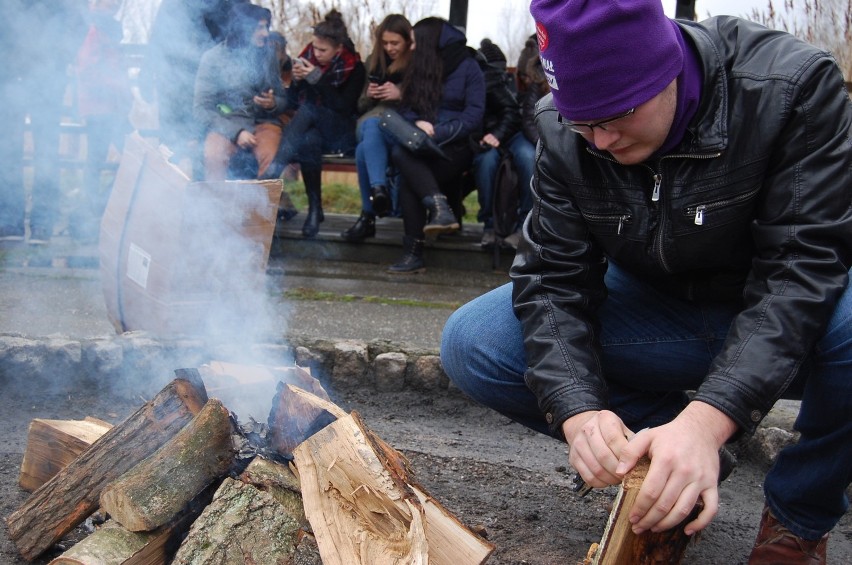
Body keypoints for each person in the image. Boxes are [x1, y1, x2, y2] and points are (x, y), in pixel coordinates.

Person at [440, 0, 852, 563]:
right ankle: (668, 462)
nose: (600, 142)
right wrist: (579, 408)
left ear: (668, 71)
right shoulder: (567, 133)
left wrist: (710, 420)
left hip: (792, 316)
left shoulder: (788, 87)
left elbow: (801, 269)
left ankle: (797, 517)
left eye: (613, 117)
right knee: (475, 341)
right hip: (658, 313)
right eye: (581, 123)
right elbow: (551, 278)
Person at [385, 17, 485, 273]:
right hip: (420, 145)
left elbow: (474, 116)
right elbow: (406, 109)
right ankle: (440, 208)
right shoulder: (419, 69)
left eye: (417, 41)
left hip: (457, 147)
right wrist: (416, 123)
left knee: (408, 171)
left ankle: (414, 251)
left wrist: (438, 132)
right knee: (403, 154)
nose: (413, 47)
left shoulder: (469, 67)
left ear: (430, 42)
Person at [266, 10, 366, 238]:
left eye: (323, 50)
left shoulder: (354, 68)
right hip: (312, 130)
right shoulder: (306, 59)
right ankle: (314, 209)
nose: (316, 54)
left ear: (338, 49)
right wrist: (297, 83)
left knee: (310, 110)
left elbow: (343, 106)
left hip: (341, 131)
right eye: (315, 48)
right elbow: (291, 103)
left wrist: (317, 79)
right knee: (309, 141)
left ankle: (273, 171)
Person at [0, 0, 88, 245]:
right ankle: (11, 222)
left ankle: (40, 223)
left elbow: (78, 25)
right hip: (9, 78)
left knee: (45, 153)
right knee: (7, 151)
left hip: (44, 78)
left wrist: (58, 59)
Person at [193, 2, 286, 181]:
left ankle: (260, 208)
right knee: (214, 157)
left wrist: (273, 103)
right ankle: (216, 207)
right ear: (242, 28)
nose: (266, 33)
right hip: (226, 123)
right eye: (259, 28)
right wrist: (236, 132)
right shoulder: (213, 59)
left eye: (267, 27)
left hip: (263, 123)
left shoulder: (268, 56)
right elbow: (201, 109)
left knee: (271, 161)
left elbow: (282, 98)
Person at [341, 13, 413, 242]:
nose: (389, 48)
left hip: (402, 128)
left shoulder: (417, 63)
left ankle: (369, 214)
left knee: (363, 150)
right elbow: (360, 106)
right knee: (372, 125)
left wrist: (401, 94)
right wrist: (370, 95)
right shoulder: (374, 60)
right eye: (385, 43)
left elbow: (427, 102)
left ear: (407, 41)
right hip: (371, 121)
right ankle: (379, 191)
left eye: (395, 43)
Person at [70, 0, 133, 243]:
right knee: (118, 157)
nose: (113, 6)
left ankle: (95, 209)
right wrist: (116, 86)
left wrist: (123, 94)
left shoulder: (108, 30)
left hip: (112, 108)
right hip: (100, 108)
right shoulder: (94, 31)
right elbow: (87, 70)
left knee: (108, 159)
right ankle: (91, 212)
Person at [469, 39, 534, 250]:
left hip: (511, 133)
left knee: (529, 158)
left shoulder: (501, 81)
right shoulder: (476, 80)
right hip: (488, 136)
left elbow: (512, 113)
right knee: (486, 163)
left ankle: (524, 225)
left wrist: (497, 134)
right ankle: (490, 224)